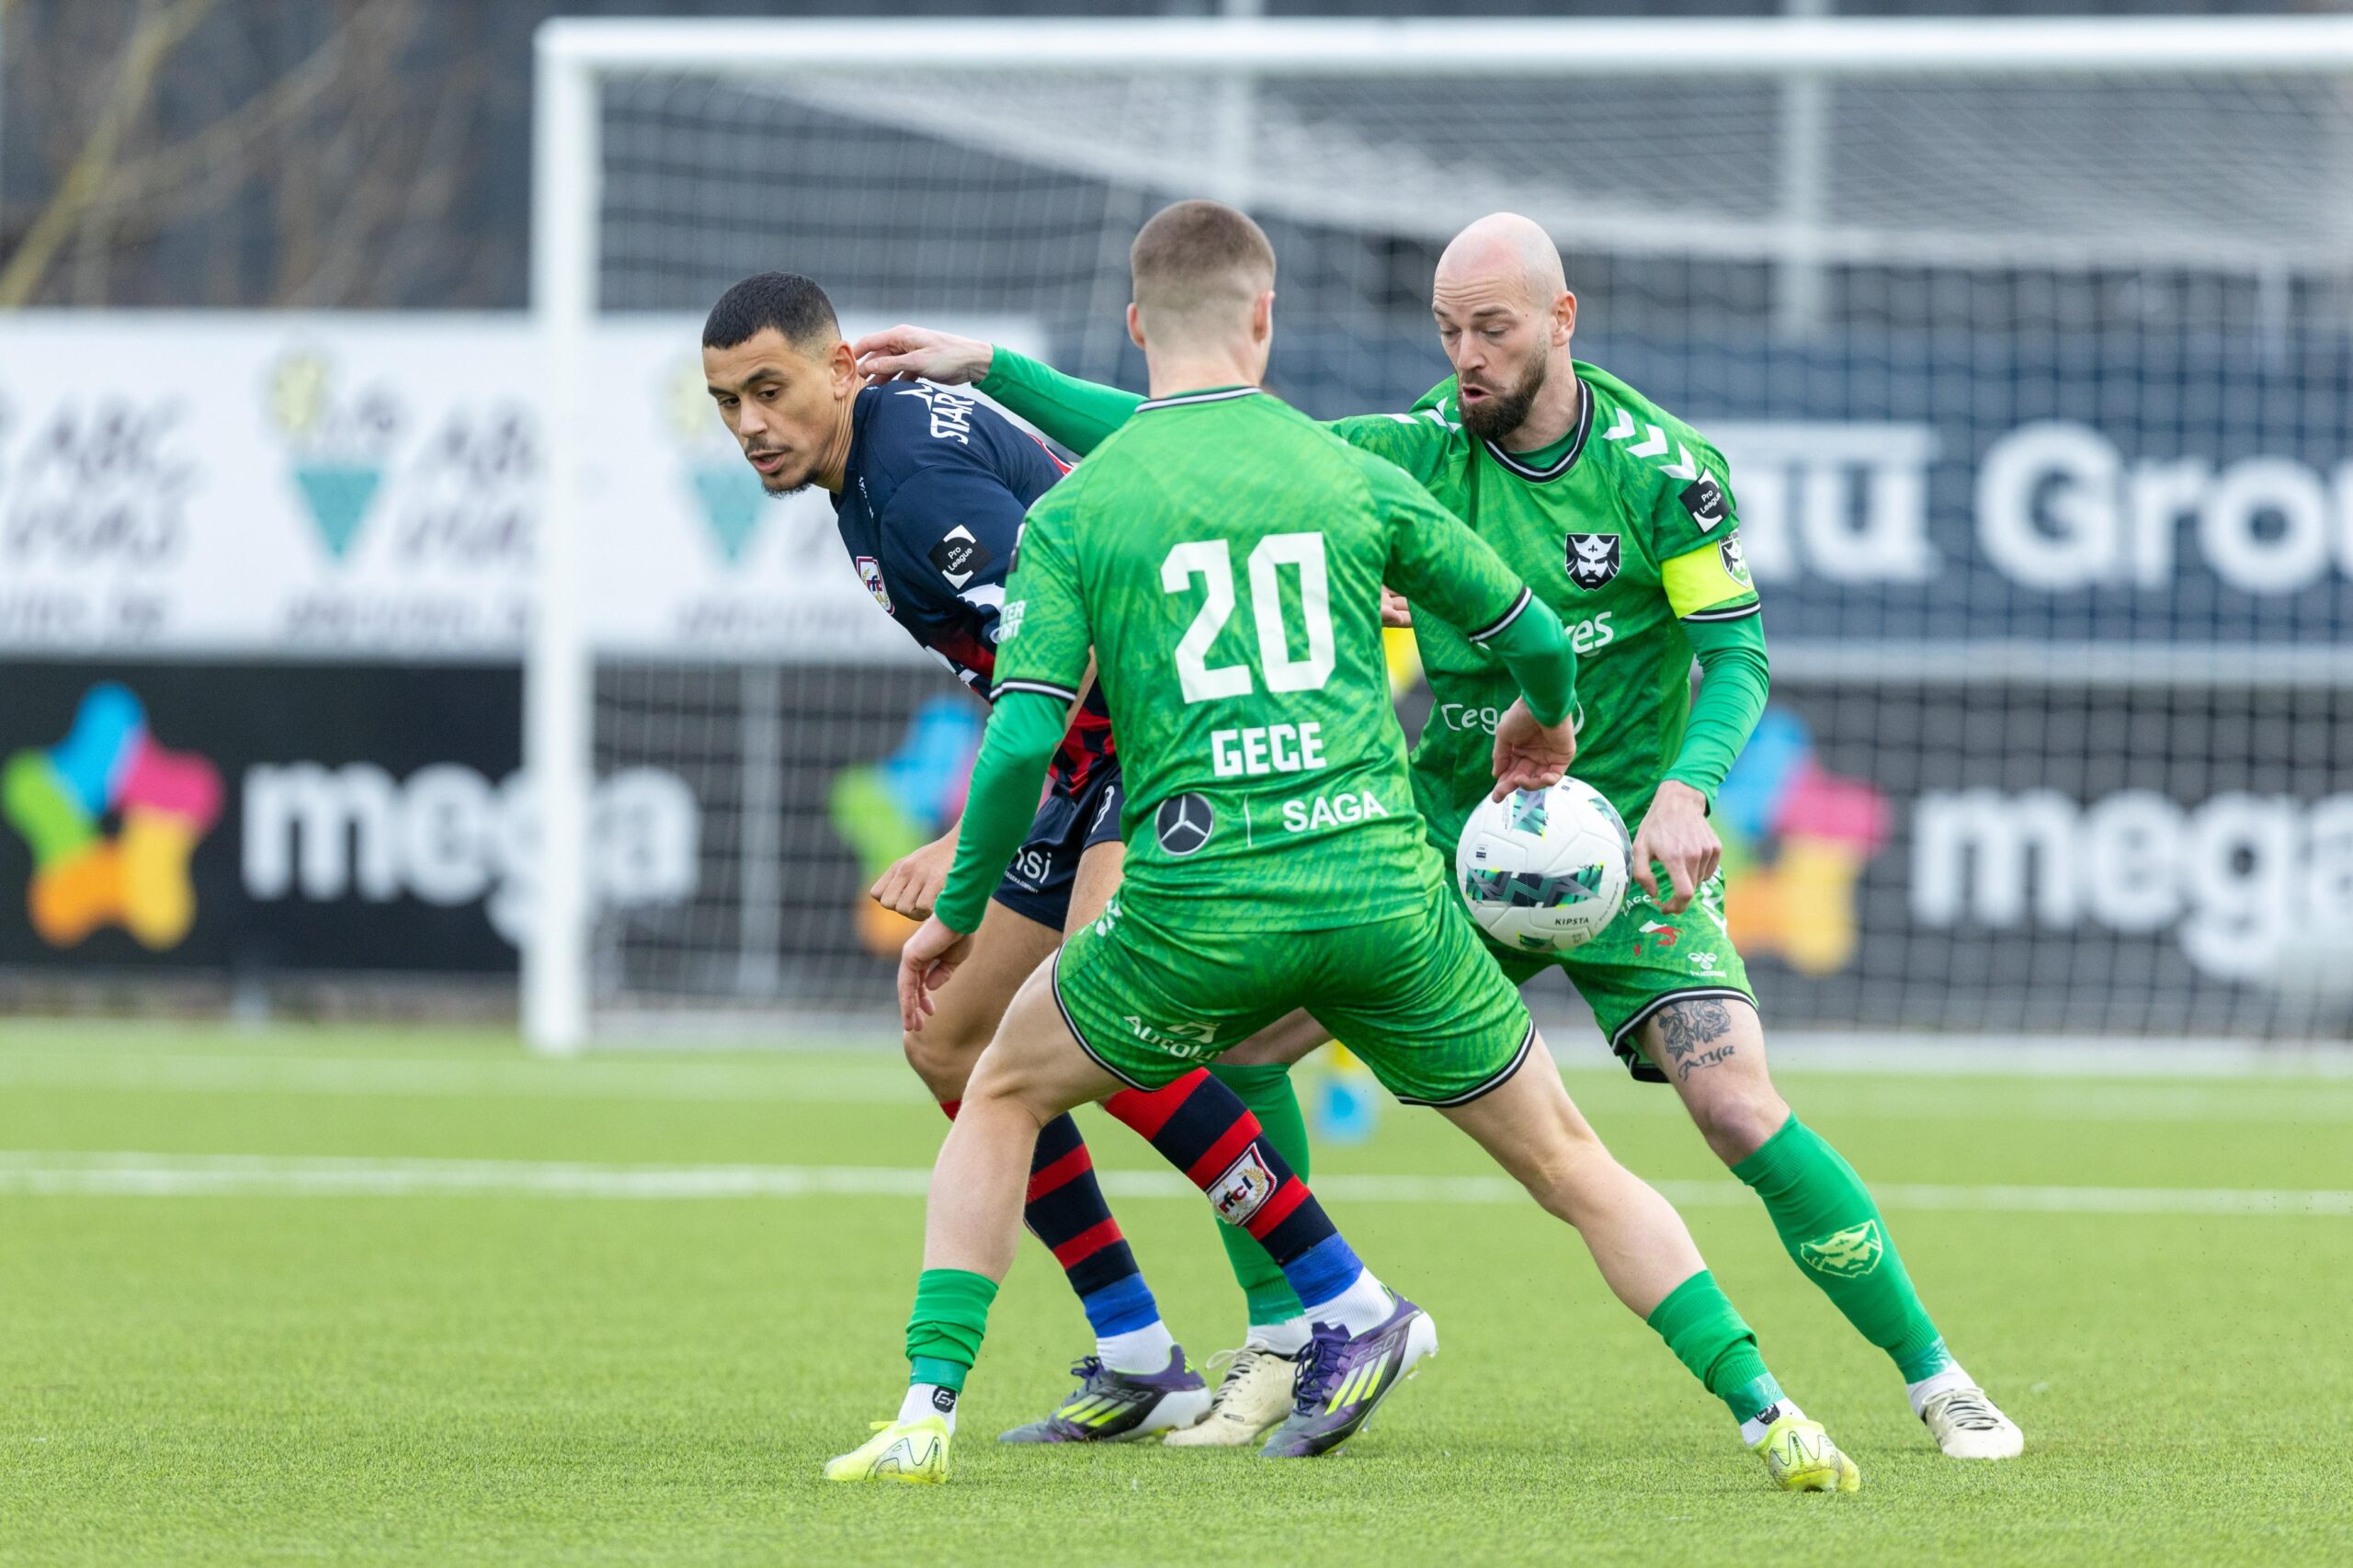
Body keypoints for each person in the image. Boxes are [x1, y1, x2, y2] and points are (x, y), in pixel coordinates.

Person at [854, 212, 2023, 1461]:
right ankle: (1294, 1332)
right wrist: (995, 370)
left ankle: (1935, 1375)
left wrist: (1687, 790)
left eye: (1492, 329)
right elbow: (1185, 435)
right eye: (1448, 329)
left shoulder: (1664, 474)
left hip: (1622, 845)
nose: (1466, 355)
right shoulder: (1416, 447)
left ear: (1561, 320)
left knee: (1734, 1104)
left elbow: (1734, 654)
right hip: (1440, 847)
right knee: (1238, 1044)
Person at [704, 272, 1297, 1442]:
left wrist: (962, 845)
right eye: (728, 403)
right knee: (951, 1035)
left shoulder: (913, 483)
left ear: (841, 368)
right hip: (1087, 754)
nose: (750, 424)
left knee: (1104, 1015)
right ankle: (1140, 1354)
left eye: (769, 390)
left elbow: (1081, 633)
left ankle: (1334, 1301)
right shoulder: (866, 462)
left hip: (1160, 730)